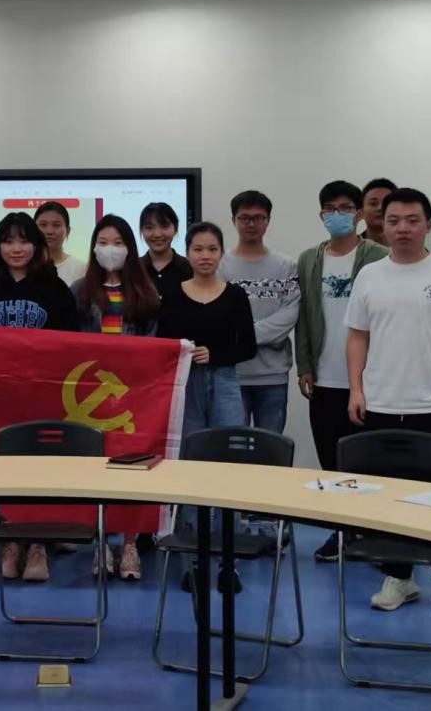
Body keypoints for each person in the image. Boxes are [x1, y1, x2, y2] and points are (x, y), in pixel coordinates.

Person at [344, 188, 431, 618]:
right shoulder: (369, 275)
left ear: (427, 225)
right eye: (394, 220)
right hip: (380, 402)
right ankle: (399, 577)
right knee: (388, 499)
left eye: (412, 220)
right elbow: (357, 336)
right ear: (382, 225)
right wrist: (356, 389)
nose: (402, 228)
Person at [0, 211, 79, 575]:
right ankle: (10, 543)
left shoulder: (55, 288)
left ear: (37, 245)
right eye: (8, 241)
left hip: (43, 395)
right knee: (3, 468)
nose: (16, 248)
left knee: (42, 468)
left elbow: (72, 345)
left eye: (24, 240)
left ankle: (38, 545)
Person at [158, 221, 256, 592]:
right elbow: (163, 344)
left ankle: (229, 562)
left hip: (225, 384)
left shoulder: (235, 295)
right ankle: (194, 561)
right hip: (186, 387)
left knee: (228, 471)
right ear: (188, 252)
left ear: (221, 253)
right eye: (198, 249)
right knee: (190, 470)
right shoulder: (171, 293)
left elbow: (248, 346)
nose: (205, 256)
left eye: (212, 249)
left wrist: (216, 354)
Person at [294, 181, 387, 562]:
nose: (338, 215)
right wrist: (304, 365)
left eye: (346, 208)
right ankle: (342, 530)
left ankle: (375, 532)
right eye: (330, 209)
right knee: (331, 461)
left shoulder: (379, 256)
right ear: (321, 215)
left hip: (370, 379)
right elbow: (303, 316)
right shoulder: (308, 259)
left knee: (370, 461)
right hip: (324, 377)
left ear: (359, 214)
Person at [73, 215, 160, 581]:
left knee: (131, 471)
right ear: (94, 247)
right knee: (96, 471)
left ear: (130, 247)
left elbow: (155, 346)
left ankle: (130, 545)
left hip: (134, 396)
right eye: (104, 242)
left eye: (119, 243)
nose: (111, 249)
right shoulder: (80, 290)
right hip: (92, 394)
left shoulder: (146, 292)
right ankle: (101, 544)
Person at [219, 190, 300, 435]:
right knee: (234, 448)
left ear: (268, 221)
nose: (251, 224)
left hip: (273, 375)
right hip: (232, 374)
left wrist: (244, 335)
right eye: (244, 218)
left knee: (271, 446)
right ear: (233, 220)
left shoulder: (286, 266)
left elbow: (290, 312)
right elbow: (218, 317)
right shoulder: (220, 265)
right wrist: (256, 335)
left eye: (258, 218)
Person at [140, 202, 192, 297]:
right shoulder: (134, 269)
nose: (157, 234)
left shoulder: (189, 268)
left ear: (175, 229)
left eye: (164, 226)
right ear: (142, 231)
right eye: (149, 227)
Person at [34, 201, 86, 287]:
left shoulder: (81, 269)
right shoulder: (25, 266)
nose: (49, 231)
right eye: (43, 225)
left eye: (56, 225)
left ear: (68, 231)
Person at [360, 178, 397, 247]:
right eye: (373, 203)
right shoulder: (349, 248)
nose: (380, 208)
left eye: (386, 203)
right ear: (361, 211)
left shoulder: (415, 249)